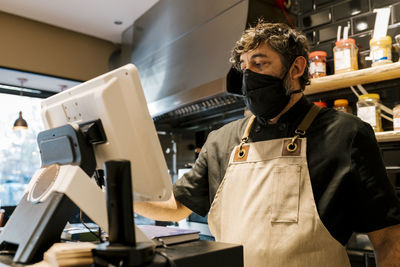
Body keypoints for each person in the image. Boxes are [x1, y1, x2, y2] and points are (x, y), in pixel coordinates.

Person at [135, 21, 400, 266]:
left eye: (259, 64)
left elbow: (388, 238)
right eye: (244, 66)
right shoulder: (222, 140)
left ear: (296, 68)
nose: (248, 76)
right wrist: (116, 195)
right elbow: (176, 206)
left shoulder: (347, 134)